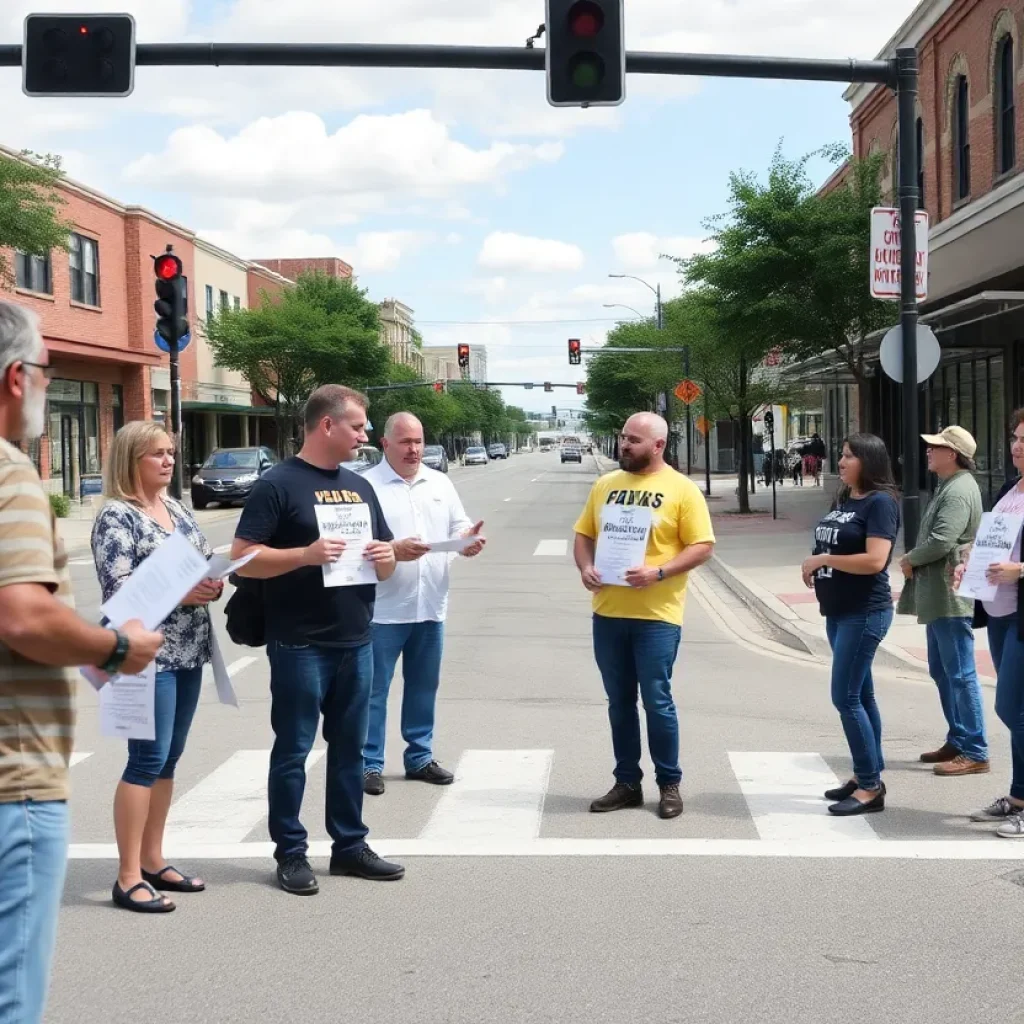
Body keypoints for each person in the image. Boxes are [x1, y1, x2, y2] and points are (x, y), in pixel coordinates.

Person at [0, 302, 162, 1022]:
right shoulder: (9, 475)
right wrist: (117, 647)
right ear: (15, 377)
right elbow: (24, 616)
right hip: (14, 785)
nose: (44, 384)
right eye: (45, 370)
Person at [231, 384, 401, 895]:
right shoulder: (277, 484)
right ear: (327, 425)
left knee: (350, 749)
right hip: (299, 641)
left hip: (356, 638)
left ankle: (349, 846)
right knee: (294, 750)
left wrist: (387, 560)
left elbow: (385, 557)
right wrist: (303, 556)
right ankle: (291, 854)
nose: (365, 434)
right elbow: (243, 555)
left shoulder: (359, 486)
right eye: (358, 426)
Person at [92, 420, 224, 913]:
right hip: (147, 655)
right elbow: (117, 592)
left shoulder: (175, 508)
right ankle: (127, 877)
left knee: (168, 759)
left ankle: (152, 858)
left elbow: (203, 563)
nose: (169, 461)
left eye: (171, 452)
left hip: (189, 649)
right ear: (132, 460)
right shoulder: (116, 517)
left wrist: (212, 583)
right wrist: (182, 592)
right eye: (157, 455)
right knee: (145, 760)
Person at [573, 412, 715, 820]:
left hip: (657, 614)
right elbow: (584, 536)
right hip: (609, 612)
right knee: (619, 703)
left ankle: (669, 784)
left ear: (658, 445)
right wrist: (585, 567)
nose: (624, 445)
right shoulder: (606, 486)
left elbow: (702, 545)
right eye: (623, 438)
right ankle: (626, 783)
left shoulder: (681, 490)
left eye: (634, 440)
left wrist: (658, 572)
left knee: (657, 700)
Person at [361, 412, 485, 795]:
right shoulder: (365, 486)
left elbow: (457, 527)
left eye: (418, 441)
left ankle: (419, 757)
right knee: (373, 690)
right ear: (385, 444)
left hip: (430, 606)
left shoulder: (440, 483)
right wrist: (393, 551)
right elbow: (354, 547)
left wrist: (468, 541)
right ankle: (369, 764)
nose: (414, 449)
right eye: (405, 442)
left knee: (423, 686)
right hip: (382, 611)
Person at [801, 433, 900, 816]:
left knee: (845, 697)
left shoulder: (881, 503)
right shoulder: (846, 499)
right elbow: (833, 546)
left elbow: (875, 561)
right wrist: (816, 562)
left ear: (869, 461)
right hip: (839, 611)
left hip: (865, 611)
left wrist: (824, 560)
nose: (840, 462)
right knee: (862, 695)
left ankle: (870, 786)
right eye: (840, 455)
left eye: (848, 457)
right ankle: (867, 775)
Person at [896, 426, 985, 776]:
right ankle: (960, 738)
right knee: (942, 670)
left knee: (960, 674)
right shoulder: (950, 486)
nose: (929, 451)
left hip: (950, 595)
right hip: (939, 595)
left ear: (954, 455)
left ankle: (975, 749)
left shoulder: (959, 490)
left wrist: (910, 559)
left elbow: (942, 541)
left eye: (936, 447)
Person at [955, 410, 1024, 836]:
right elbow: (991, 542)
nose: (1017, 446)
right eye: (1016, 437)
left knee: (1012, 708)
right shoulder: (1010, 489)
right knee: (1016, 708)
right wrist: (970, 568)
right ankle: (1017, 797)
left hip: (1020, 613)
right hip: (998, 614)